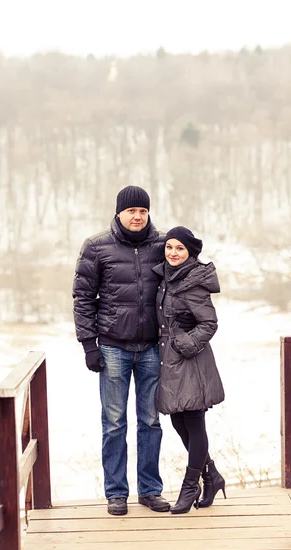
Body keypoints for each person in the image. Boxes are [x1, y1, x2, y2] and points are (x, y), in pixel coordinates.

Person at [72, 185, 171, 516]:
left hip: (152, 349)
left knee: (151, 420)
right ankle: (116, 493)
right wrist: (89, 345)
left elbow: (185, 276)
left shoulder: (162, 245)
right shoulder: (97, 247)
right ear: (119, 213)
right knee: (114, 422)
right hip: (113, 347)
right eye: (131, 211)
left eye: (143, 211)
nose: (137, 216)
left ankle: (150, 490)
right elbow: (83, 298)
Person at [152, 226, 226, 514]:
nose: (173, 252)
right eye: (169, 247)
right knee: (178, 422)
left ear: (191, 253)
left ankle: (190, 484)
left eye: (180, 248)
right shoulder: (167, 278)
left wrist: (184, 343)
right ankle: (212, 476)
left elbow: (209, 323)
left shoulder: (192, 282)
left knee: (194, 422)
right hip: (171, 360)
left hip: (191, 359)